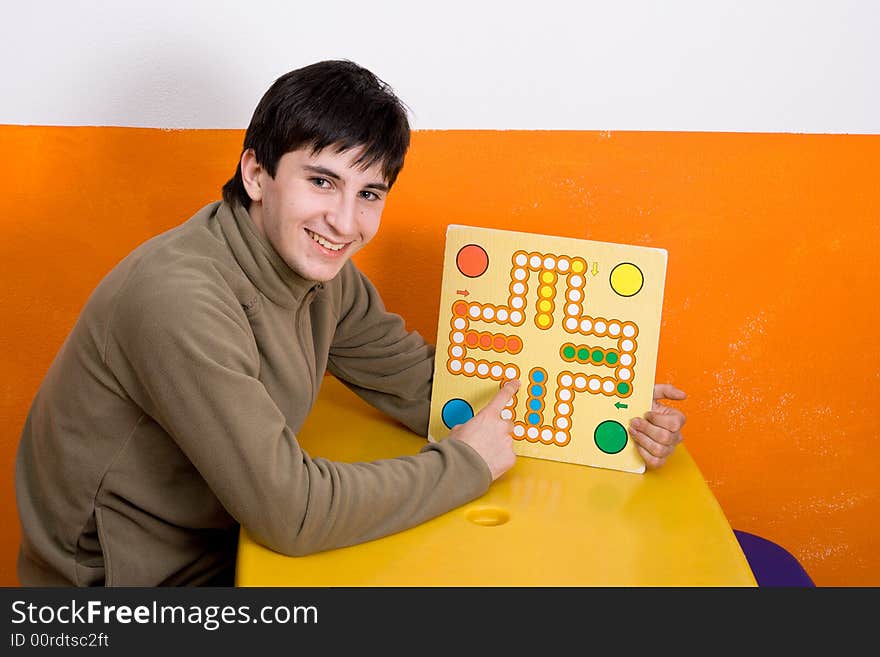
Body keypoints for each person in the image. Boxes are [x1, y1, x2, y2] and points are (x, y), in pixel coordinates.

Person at [14, 60, 687, 587]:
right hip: (123, 596)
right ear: (256, 172)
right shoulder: (180, 298)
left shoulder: (320, 275)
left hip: (228, 548)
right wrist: (466, 464)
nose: (346, 222)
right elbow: (292, 512)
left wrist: (613, 411)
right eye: (322, 182)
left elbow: (433, 387)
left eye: (369, 194)